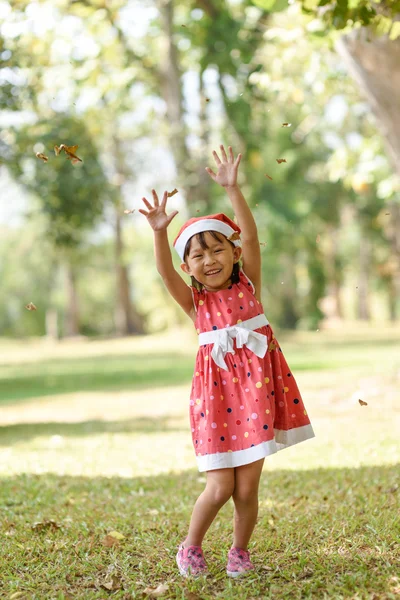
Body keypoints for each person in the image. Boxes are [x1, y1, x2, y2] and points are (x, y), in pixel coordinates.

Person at [139, 145, 315, 578]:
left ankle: (240, 550)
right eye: (197, 256)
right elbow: (165, 273)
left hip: (256, 394)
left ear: (233, 253)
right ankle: (191, 547)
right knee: (219, 486)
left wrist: (233, 190)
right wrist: (161, 232)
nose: (208, 260)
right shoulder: (195, 302)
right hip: (216, 400)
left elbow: (252, 236)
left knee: (248, 487)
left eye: (216, 249)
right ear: (189, 267)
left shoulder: (249, 283)